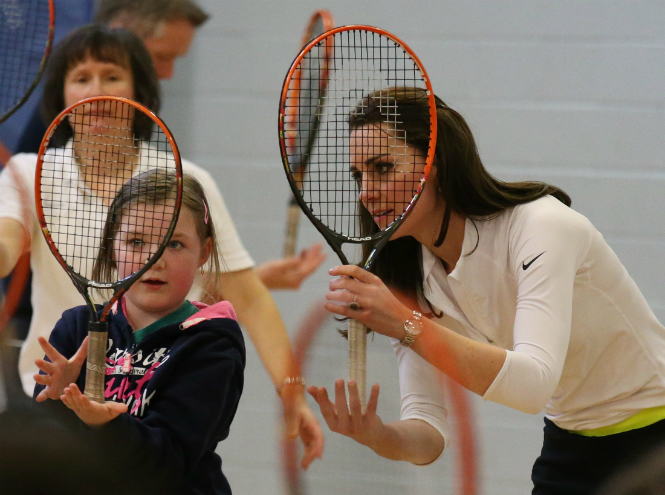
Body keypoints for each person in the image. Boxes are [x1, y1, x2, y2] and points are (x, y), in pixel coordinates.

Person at [307, 87, 665, 493]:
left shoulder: (542, 225)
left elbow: (533, 385)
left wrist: (405, 322)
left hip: (655, 437)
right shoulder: (409, 273)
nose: (365, 192)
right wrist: (379, 436)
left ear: (436, 164)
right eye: (359, 175)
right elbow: (427, 432)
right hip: (571, 443)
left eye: (383, 167)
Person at [0, 24, 322, 468]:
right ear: (61, 95)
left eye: (112, 75)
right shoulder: (27, 170)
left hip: (156, 400)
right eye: (81, 77)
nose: (97, 91)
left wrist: (292, 391)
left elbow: (249, 297)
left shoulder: (184, 179)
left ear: (139, 89)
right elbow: (6, 245)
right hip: (54, 398)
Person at [34, 169, 244, 494]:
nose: (154, 260)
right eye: (135, 241)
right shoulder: (75, 329)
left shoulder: (211, 345)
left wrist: (106, 423)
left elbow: (167, 464)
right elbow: (48, 456)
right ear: (112, 246)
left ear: (204, 251)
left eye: (174, 243)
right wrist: (58, 402)